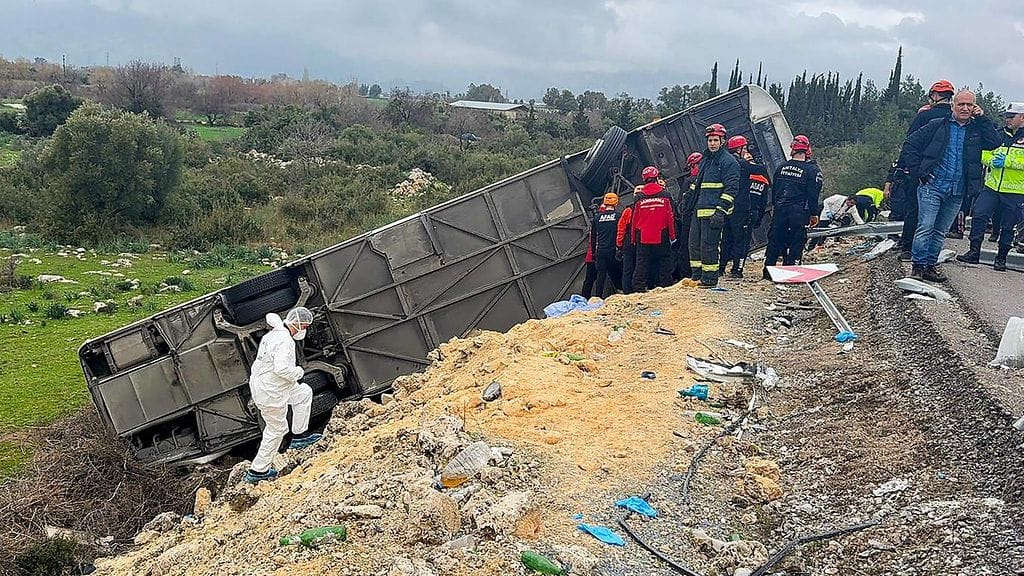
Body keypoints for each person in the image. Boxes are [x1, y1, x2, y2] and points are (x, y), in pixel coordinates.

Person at [899, 90, 1001, 282]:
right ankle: (918, 267)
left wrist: (983, 119)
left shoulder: (977, 130)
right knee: (925, 226)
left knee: (940, 231)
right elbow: (910, 144)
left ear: (974, 107)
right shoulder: (937, 125)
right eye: (961, 104)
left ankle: (930, 266)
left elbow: (995, 143)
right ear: (953, 105)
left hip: (958, 189)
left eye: (969, 105)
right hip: (932, 185)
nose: (965, 108)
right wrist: (918, 172)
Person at [245, 307, 322, 484]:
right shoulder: (285, 340)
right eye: (306, 326)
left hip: (272, 387)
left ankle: (300, 436)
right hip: (271, 392)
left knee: (303, 393)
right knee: (276, 429)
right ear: (300, 324)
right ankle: (258, 471)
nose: (306, 330)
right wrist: (298, 372)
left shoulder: (272, 335)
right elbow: (281, 369)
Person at [892, 80, 957, 261]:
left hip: (920, 172)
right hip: (943, 174)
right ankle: (928, 253)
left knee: (913, 209)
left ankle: (907, 248)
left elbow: (910, 143)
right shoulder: (955, 119)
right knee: (936, 218)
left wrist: (906, 168)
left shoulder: (924, 116)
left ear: (935, 95)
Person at [957, 102, 1024, 271]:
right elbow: (984, 152)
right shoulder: (999, 135)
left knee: (1008, 226)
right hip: (992, 185)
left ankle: (1001, 258)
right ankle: (973, 252)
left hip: (1015, 190)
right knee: (979, 215)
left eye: (1011, 117)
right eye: (1006, 116)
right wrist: (989, 160)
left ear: (1022, 118)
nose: (1007, 120)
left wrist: (1008, 162)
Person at [688, 124, 740, 287]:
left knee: (709, 246)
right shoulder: (706, 160)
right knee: (694, 245)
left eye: (715, 140)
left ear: (722, 141)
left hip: (714, 212)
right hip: (700, 210)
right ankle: (697, 275)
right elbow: (699, 183)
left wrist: (720, 211)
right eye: (710, 140)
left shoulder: (728, 161)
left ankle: (710, 279)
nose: (712, 143)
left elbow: (732, 188)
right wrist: (688, 199)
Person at [763, 135, 822, 277]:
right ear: (807, 150)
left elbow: (775, 190)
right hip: (799, 212)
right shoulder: (812, 171)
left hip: (780, 209)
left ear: (792, 149)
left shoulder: (781, 168)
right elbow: (813, 195)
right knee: (797, 240)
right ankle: (792, 271)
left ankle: (767, 272)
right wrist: (814, 214)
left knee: (775, 240)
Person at [719, 135, 770, 278]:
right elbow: (761, 169)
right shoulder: (743, 165)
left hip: (726, 206)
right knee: (741, 240)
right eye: (745, 148)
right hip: (741, 208)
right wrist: (756, 157)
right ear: (739, 149)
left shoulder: (724, 163)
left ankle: (720, 268)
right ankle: (737, 269)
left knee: (726, 239)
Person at [631, 166, 676, 291]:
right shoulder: (665, 195)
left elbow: (634, 220)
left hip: (643, 235)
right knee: (665, 262)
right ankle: (665, 287)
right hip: (662, 234)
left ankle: (638, 288)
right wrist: (672, 236)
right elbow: (670, 218)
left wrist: (633, 238)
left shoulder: (639, 197)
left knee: (641, 264)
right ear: (656, 178)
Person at [673, 152, 703, 280]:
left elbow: (682, 203)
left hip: (690, 218)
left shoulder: (689, 181)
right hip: (703, 217)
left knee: (687, 246)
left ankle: (687, 274)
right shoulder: (708, 177)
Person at [590, 192, 622, 296]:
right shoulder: (618, 216)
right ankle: (621, 291)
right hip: (614, 250)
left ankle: (598, 296)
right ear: (616, 203)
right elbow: (622, 232)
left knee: (601, 276)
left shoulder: (597, 218)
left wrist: (593, 253)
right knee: (617, 273)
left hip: (601, 251)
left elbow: (593, 237)